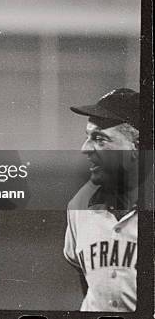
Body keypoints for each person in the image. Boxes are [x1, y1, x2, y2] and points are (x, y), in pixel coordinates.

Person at [64, 88, 140, 312]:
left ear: (137, 146)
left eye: (99, 139)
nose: (85, 148)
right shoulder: (79, 205)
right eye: (87, 137)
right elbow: (88, 283)